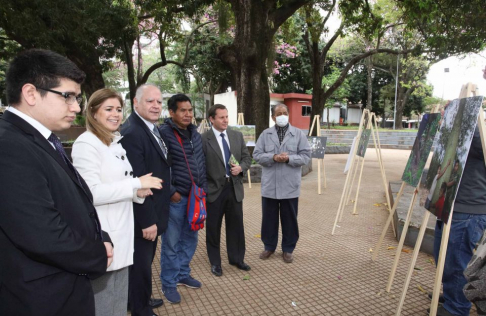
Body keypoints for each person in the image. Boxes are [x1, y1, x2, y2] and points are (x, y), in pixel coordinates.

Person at [0, 49, 112, 315]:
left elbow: (70, 203)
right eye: (67, 96)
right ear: (30, 93)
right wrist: (97, 253)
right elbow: (42, 234)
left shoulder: (39, 139)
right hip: (42, 299)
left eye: (77, 98)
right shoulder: (9, 146)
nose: (75, 107)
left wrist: (100, 236)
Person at [72, 89, 163, 316]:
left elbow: (119, 185)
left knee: (119, 302)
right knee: (104, 304)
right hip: (105, 237)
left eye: (119, 109)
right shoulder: (86, 143)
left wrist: (137, 192)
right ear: (93, 112)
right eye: (108, 109)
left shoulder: (114, 142)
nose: (116, 114)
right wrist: (134, 184)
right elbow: (90, 193)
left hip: (124, 235)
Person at [120, 84, 172, 316]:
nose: (156, 106)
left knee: (145, 262)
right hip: (143, 215)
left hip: (155, 208)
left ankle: (137, 300)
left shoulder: (151, 128)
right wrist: (147, 221)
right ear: (135, 102)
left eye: (159, 102)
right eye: (150, 101)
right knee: (140, 265)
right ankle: (140, 309)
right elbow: (138, 181)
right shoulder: (132, 132)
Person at [432, 126, 486, 316]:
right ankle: (451, 296)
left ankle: (456, 309)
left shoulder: (478, 127)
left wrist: (460, 121)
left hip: (468, 209)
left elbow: (476, 140)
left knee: (456, 264)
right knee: (442, 257)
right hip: (449, 204)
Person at [158, 94, 206, 304]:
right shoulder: (164, 134)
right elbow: (160, 166)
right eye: (183, 110)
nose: (187, 114)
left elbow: (200, 162)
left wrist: (203, 188)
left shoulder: (195, 134)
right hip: (176, 199)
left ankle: (182, 274)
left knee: (190, 239)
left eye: (190, 110)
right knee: (171, 243)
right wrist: (171, 192)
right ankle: (168, 283)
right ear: (171, 113)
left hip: (196, 197)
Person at [253, 103, 311, 263]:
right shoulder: (265, 134)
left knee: (290, 219)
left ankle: (288, 249)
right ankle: (269, 246)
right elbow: (256, 154)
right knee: (269, 218)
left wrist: (289, 158)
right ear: (273, 117)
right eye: (279, 114)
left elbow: (306, 156)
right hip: (270, 186)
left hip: (289, 185)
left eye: (285, 113)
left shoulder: (298, 134)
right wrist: (272, 157)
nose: (282, 116)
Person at [202, 104, 252, 277]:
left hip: (234, 187)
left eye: (226, 116)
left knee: (236, 226)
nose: (225, 120)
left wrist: (241, 168)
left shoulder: (236, 135)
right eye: (221, 117)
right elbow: (199, 167)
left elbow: (247, 157)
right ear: (212, 119)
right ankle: (215, 263)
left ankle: (237, 258)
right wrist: (205, 189)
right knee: (213, 229)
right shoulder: (203, 139)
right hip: (214, 190)